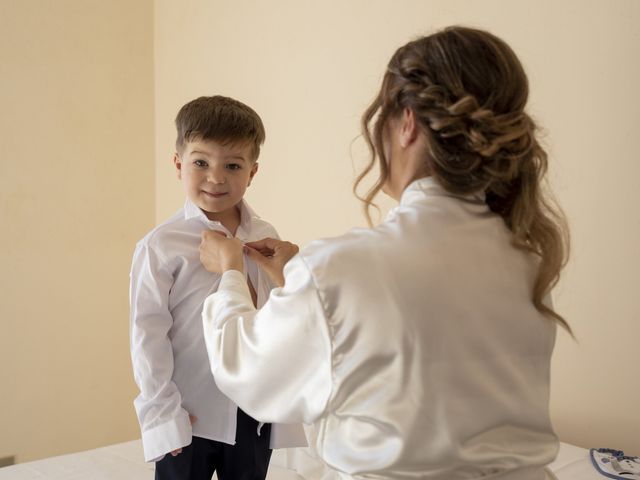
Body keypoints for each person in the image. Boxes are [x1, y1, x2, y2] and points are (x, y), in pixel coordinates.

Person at [199, 27, 570, 480]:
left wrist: (231, 274)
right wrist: (300, 280)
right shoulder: (529, 262)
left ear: (407, 122)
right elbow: (422, 359)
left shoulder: (342, 269)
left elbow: (248, 372)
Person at [129, 95, 306, 480]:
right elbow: (148, 334)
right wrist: (162, 411)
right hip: (190, 413)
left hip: (253, 410)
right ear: (178, 164)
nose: (216, 177)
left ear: (252, 172)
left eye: (232, 165)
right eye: (200, 162)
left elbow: (275, 318)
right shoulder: (161, 245)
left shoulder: (266, 237)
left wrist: (291, 275)